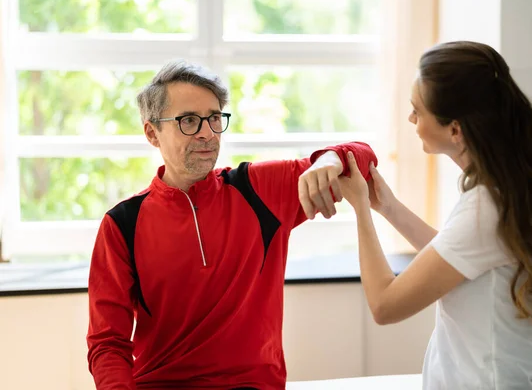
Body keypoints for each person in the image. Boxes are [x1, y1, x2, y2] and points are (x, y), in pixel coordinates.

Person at [86, 60, 378, 390]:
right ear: (152, 132)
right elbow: (107, 343)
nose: (208, 133)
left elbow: (363, 158)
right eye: (190, 121)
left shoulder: (259, 190)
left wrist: (329, 158)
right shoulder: (122, 224)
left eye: (214, 118)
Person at [338, 41, 532, 390]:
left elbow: (384, 305)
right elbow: (456, 260)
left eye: (418, 110)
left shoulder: (485, 209)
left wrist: (359, 211)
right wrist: (389, 208)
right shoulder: (504, 194)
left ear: (455, 130)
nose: (411, 119)